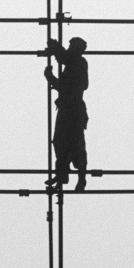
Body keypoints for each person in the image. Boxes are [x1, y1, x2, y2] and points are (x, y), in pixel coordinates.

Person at [44, 36, 89, 191]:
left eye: (72, 47)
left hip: (74, 110)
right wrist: (50, 77)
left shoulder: (79, 63)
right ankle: (62, 172)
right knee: (60, 141)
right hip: (66, 108)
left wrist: (56, 47)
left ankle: (81, 178)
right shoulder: (72, 64)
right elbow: (63, 86)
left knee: (76, 144)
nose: (69, 49)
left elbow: (65, 59)